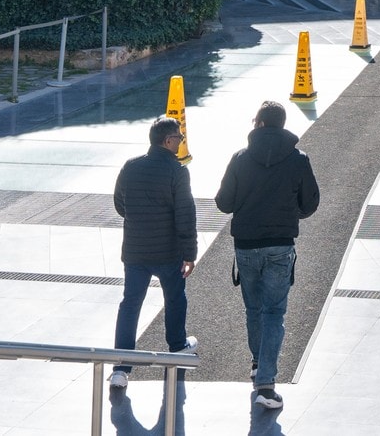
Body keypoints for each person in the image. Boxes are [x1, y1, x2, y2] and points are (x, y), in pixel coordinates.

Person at [214, 101, 321, 411]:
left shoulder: (240, 158)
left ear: (259, 124)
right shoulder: (298, 159)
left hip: (246, 244)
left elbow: (223, 202)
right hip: (280, 244)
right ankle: (266, 383)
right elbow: (311, 201)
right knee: (274, 312)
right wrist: (291, 214)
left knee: (254, 309)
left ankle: (258, 363)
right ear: (282, 124)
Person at [110, 116, 196, 387]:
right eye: (179, 138)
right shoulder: (177, 171)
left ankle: (121, 368)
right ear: (168, 141)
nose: (181, 142)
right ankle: (177, 348)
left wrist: (138, 220)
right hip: (167, 252)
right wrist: (189, 253)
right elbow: (185, 214)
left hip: (135, 251)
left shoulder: (130, 167)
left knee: (130, 304)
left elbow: (119, 204)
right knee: (175, 299)